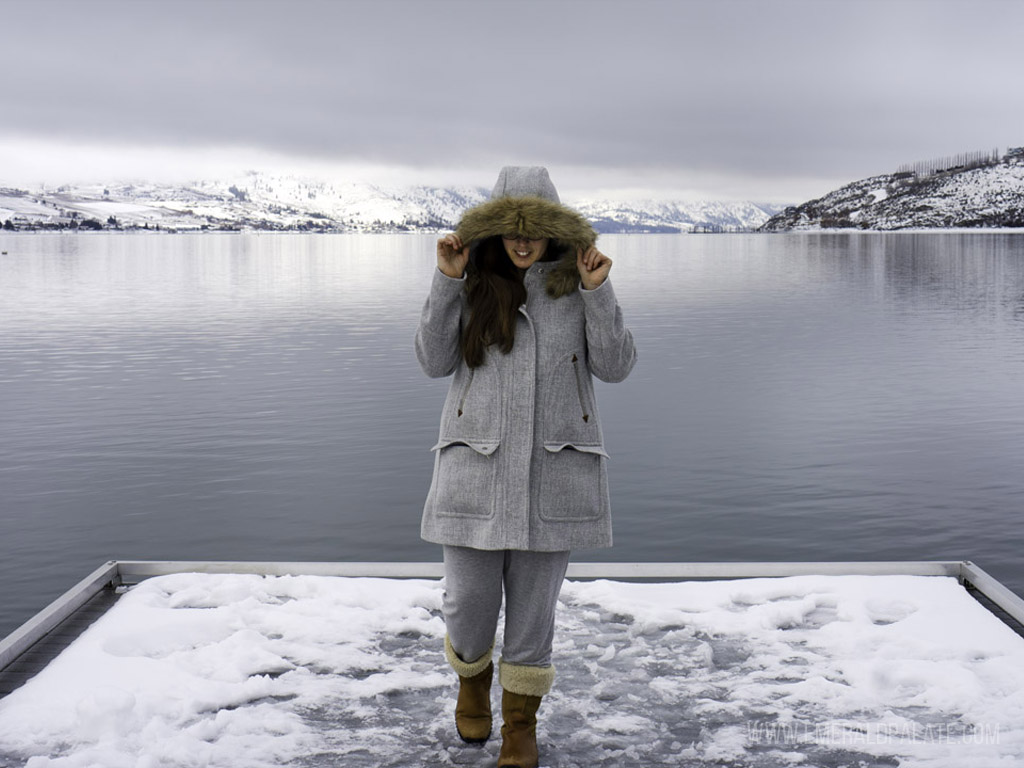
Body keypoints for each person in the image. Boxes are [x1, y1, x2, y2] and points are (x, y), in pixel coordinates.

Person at [415, 166, 637, 767]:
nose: (522, 242)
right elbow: (433, 361)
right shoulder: (471, 284)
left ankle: (519, 725)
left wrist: (598, 293)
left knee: (535, 614)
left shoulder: (579, 287)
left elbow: (616, 367)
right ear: (494, 232)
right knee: (467, 603)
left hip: (554, 472)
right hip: (474, 469)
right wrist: (445, 281)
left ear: (553, 233)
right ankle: (471, 687)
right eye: (511, 231)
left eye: (535, 230)